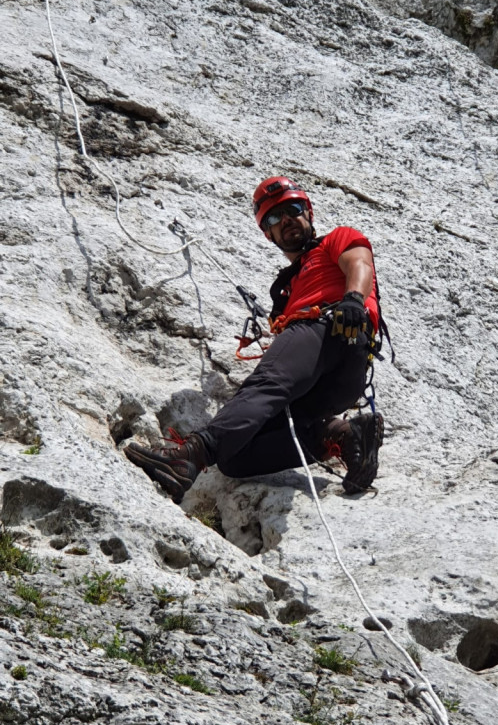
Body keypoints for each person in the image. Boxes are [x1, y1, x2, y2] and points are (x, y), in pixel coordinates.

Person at [125, 176, 386, 503]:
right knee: (236, 457)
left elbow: (360, 264)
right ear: (268, 234)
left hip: (332, 325)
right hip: (339, 380)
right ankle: (343, 437)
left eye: (292, 210)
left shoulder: (338, 238)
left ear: (309, 213)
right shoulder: (288, 289)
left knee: (267, 383)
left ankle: (190, 454)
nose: (286, 220)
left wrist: (353, 300)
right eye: (275, 218)